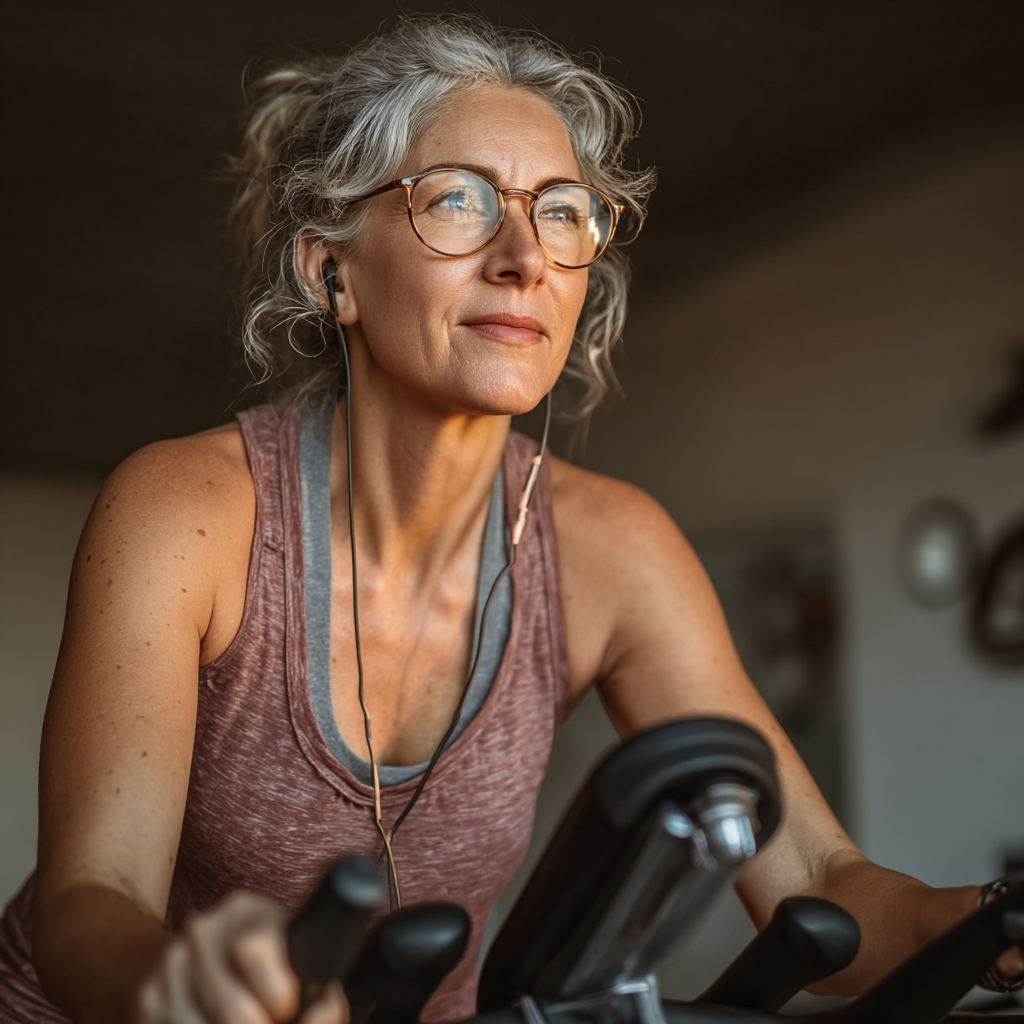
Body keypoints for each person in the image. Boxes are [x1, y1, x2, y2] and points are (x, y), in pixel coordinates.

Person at [0, 14, 1020, 1024]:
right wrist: (178, 988)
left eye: (563, 211)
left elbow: (811, 875)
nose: (524, 254)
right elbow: (91, 900)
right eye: (457, 199)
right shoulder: (189, 513)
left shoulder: (610, 549)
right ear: (331, 271)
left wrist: (980, 920)